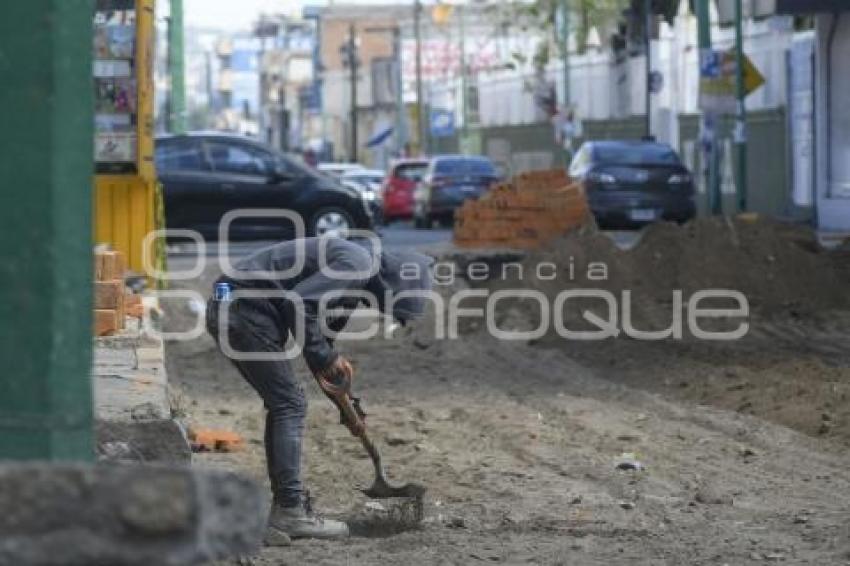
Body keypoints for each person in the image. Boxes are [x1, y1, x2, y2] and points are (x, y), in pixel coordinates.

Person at [206, 236, 432, 545]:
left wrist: (346, 406)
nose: (383, 313)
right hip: (240, 308)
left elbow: (319, 347)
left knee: (285, 403)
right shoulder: (358, 264)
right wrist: (326, 358)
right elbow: (298, 306)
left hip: (237, 307)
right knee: (290, 404)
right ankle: (290, 511)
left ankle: (287, 509)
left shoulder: (355, 282)